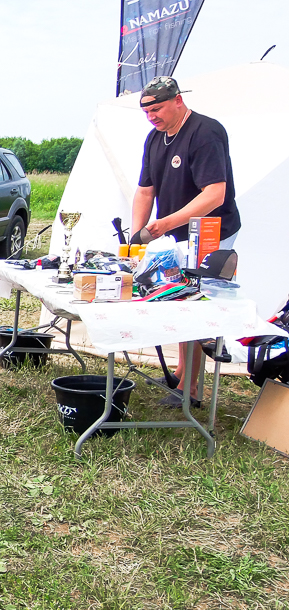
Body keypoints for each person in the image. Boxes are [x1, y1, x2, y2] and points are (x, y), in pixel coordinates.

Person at [131, 76, 241, 408]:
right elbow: (145, 190)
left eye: (158, 108)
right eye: (146, 110)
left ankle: (191, 389)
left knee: (193, 306)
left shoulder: (205, 132)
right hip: (176, 235)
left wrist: (164, 224)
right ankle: (182, 374)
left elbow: (214, 193)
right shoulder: (153, 139)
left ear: (178, 100)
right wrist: (137, 236)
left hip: (212, 233)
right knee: (177, 302)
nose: (152, 116)